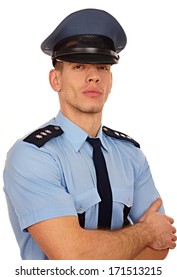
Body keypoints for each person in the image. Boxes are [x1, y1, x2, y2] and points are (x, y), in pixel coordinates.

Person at [3, 8, 176, 260]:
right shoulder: (32, 155)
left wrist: (147, 236)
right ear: (55, 80)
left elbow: (160, 247)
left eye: (103, 67)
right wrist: (145, 232)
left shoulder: (130, 154)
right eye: (79, 66)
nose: (94, 77)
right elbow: (71, 255)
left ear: (111, 81)